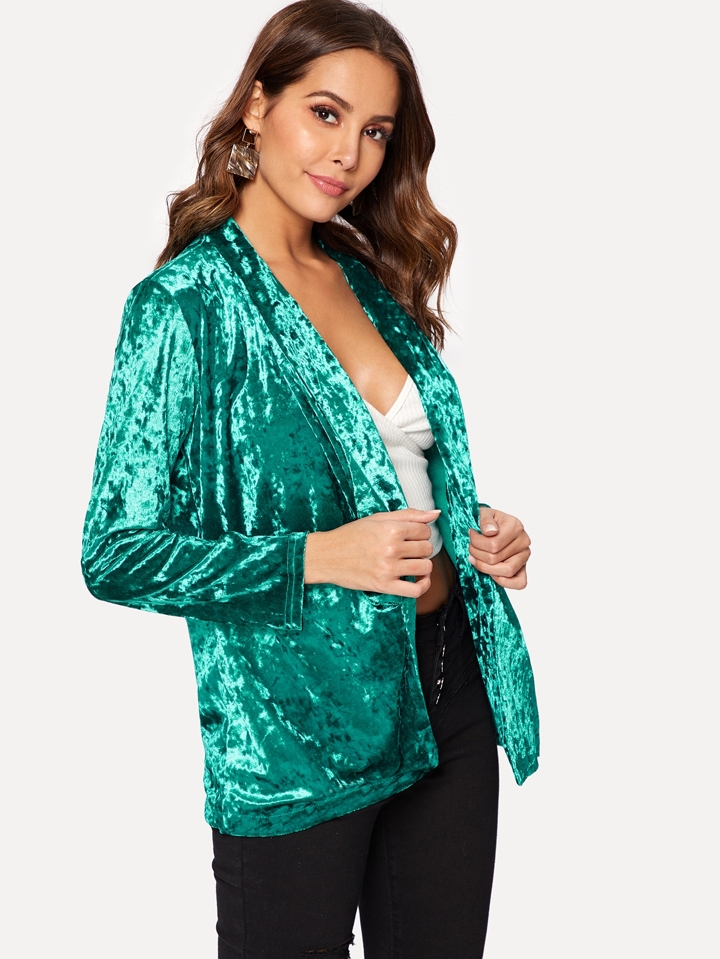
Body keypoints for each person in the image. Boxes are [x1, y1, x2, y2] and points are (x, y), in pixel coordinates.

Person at [81, 1, 539, 955]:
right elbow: (115, 551)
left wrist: (478, 527)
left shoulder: (368, 277)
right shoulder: (186, 305)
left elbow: (390, 472)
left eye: (374, 131)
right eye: (324, 114)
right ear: (258, 106)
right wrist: (320, 557)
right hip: (297, 725)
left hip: (448, 685)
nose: (348, 154)